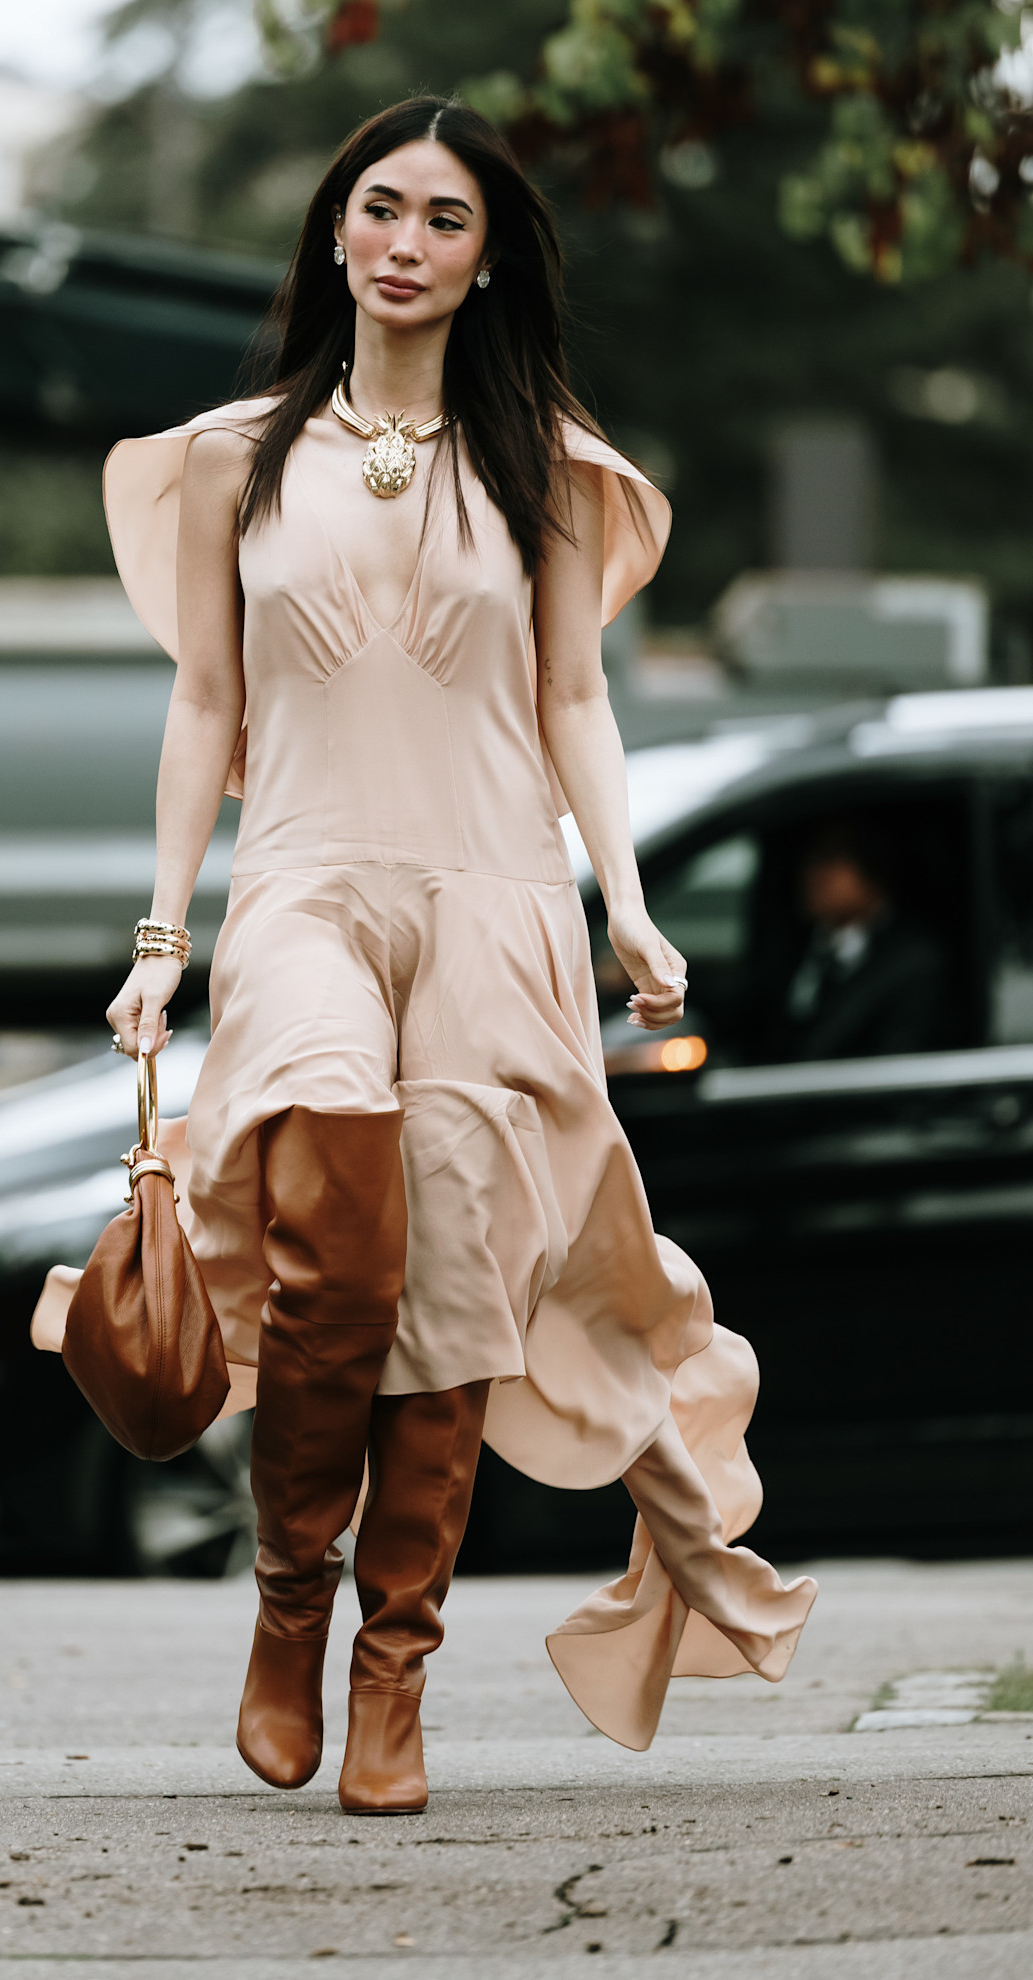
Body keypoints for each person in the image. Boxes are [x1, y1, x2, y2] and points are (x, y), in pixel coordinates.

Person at [103, 97, 816, 1814]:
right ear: (336, 234)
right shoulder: (230, 457)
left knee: (451, 1304)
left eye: (445, 219)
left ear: (489, 261)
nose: (407, 242)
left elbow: (579, 700)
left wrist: (628, 899)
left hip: (498, 898)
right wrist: (160, 931)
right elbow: (206, 698)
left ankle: (394, 1669)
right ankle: (290, 1604)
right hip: (307, 894)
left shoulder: (547, 471)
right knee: (335, 1256)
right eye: (381, 209)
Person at [770, 816, 948, 1063]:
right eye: (810, 859)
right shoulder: (792, 944)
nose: (811, 873)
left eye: (829, 859)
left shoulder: (910, 962)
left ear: (873, 871)